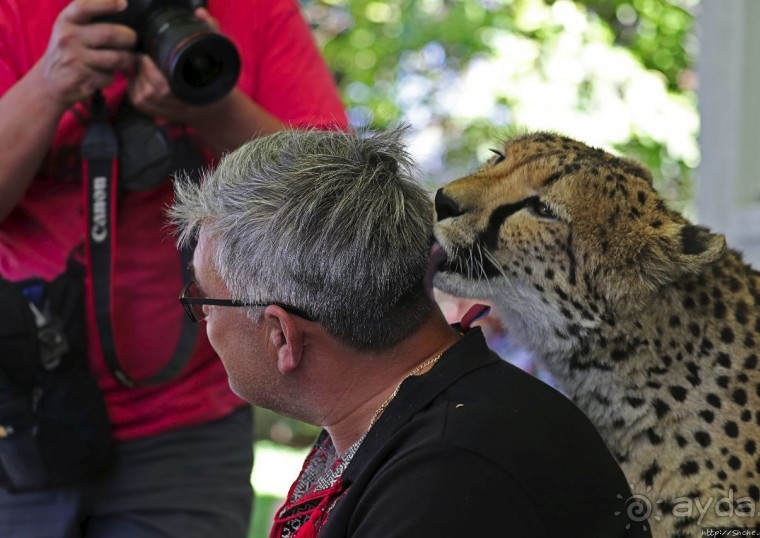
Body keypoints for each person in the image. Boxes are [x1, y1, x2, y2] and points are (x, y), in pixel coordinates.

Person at [170, 127, 651, 538]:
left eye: (204, 301)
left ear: (281, 335)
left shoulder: (446, 482)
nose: (204, 322)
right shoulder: (417, 414)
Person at [0, 0, 347, 535]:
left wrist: (213, 108)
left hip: (189, 424)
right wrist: (50, 84)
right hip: (21, 411)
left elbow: (338, 205)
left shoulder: (257, 13)